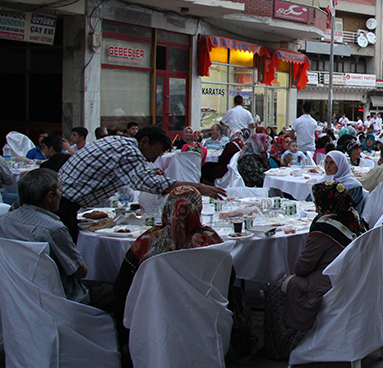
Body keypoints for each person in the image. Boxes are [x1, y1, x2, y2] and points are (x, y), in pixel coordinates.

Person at [261, 181, 368, 360]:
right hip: (354, 276)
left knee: (276, 288)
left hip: (332, 281)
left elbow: (302, 268)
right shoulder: (352, 216)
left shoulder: (324, 227)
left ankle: (281, 344)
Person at [57, 126, 225, 241]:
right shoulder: (128, 151)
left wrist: (149, 172)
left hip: (63, 196)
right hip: (63, 203)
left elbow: (126, 172)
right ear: (144, 141)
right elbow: (148, 183)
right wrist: (198, 187)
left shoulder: (120, 143)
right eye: (154, 152)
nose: (153, 159)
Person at [112, 186, 224, 327]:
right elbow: (227, 277)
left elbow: (121, 286)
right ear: (197, 209)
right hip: (202, 314)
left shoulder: (149, 240)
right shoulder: (209, 239)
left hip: (153, 314)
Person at [0, 169, 91, 305]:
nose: (61, 195)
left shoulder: (4, 220)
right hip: (57, 298)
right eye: (60, 190)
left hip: (14, 292)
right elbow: (80, 271)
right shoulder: (53, 229)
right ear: (49, 196)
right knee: (114, 290)